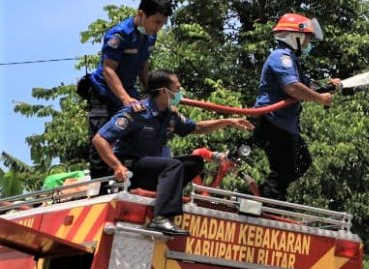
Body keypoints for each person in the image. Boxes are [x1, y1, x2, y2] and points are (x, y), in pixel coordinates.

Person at [92, 70, 253, 235]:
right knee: (173, 165)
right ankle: (161, 217)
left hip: (151, 168)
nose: (180, 92)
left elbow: (197, 127)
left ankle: (164, 196)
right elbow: (99, 139)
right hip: (131, 167)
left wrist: (227, 121)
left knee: (195, 162)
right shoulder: (136, 112)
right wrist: (116, 166)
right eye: (177, 88)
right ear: (163, 91)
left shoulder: (170, 115)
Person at [84, 0, 173, 178]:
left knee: (139, 133)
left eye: (163, 24)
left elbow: (143, 65)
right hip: (104, 93)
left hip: (129, 91)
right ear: (141, 14)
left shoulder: (149, 37)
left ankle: (132, 178)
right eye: (157, 22)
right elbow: (108, 70)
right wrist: (125, 98)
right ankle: (99, 185)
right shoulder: (119, 35)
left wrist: (153, 93)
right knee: (102, 140)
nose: (159, 27)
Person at [252, 13, 340, 201]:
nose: (308, 44)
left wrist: (327, 86)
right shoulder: (281, 57)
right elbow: (292, 87)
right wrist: (321, 99)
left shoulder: (292, 60)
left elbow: (307, 86)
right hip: (272, 121)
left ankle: (265, 194)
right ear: (295, 37)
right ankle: (269, 204)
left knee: (302, 162)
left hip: (285, 124)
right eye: (307, 39)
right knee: (284, 170)